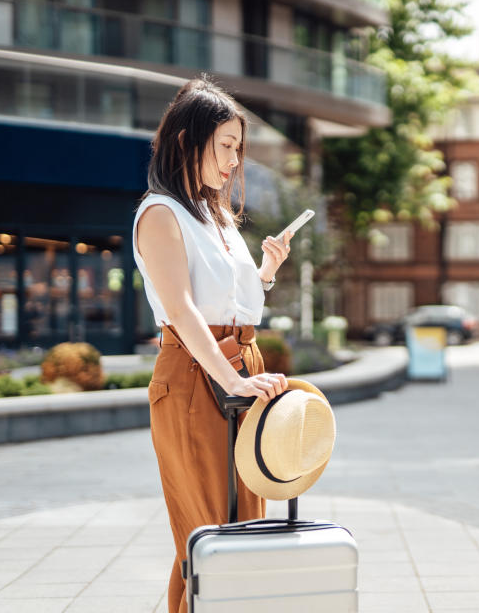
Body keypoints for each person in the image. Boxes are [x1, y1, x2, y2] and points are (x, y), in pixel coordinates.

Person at [131, 74, 294, 613]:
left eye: (238, 149)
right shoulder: (161, 214)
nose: (233, 161)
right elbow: (181, 309)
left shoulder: (217, 215)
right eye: (225, 146)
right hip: (196, 374)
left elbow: (232, 304)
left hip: (239, 369)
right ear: (186, 140)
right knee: (205, 543)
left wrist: (266, 272)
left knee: (246, 532)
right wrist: (233, 380)